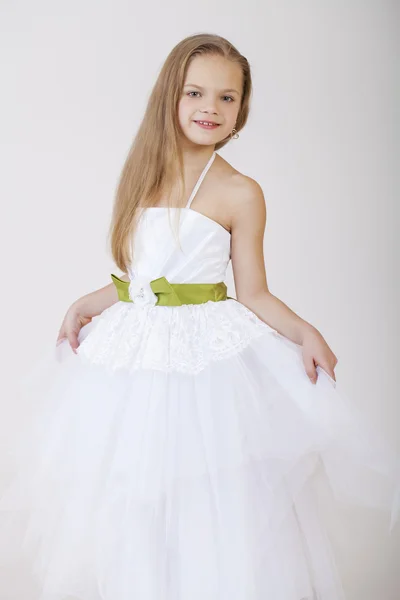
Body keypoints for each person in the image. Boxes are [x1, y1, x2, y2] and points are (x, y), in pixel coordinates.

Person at [0, 32, 398, 600]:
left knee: (208, 498)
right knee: (135, 496)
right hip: (137, 361)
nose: (210, 107)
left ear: (241, 111)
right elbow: (144, 279)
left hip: (202, 367)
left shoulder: (240, 191)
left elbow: (255, 293)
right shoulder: (144, 176)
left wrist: (306, 332)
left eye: (227, 98)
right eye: (196, 93)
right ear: (171, 96)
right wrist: (87, 303)